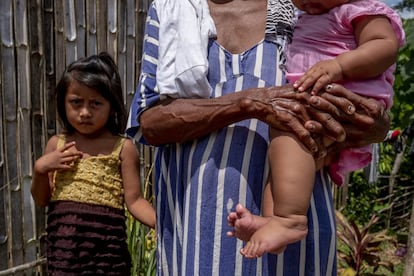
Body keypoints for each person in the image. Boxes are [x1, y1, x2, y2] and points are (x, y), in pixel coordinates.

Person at [126, 0, 391, 275]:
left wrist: (375, 123)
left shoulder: (304, 8)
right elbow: (150, 124)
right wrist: (249, 103)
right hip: (197, 224)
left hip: (293, 234)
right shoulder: (176, 9)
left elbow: (362, 82)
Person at [228, 0, 405, 259]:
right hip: (314, 106)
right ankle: (273, 222)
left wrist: (339, 66)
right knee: (281, 160)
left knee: (288, 137)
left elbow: (385, 46)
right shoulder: (305, 17)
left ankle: (290, 220)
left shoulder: (360, 10)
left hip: (346, 98)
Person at [31, 52, 156, 275]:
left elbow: (135, 201)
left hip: (107, 253)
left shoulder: (122, 148)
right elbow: (42, 199)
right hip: (65, 253)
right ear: (63, 103)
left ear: (112, 106)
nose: (85, 112)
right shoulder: (57, 145)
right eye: (76, 103)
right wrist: (41, 169)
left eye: (96, 103)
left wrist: (162, 224)